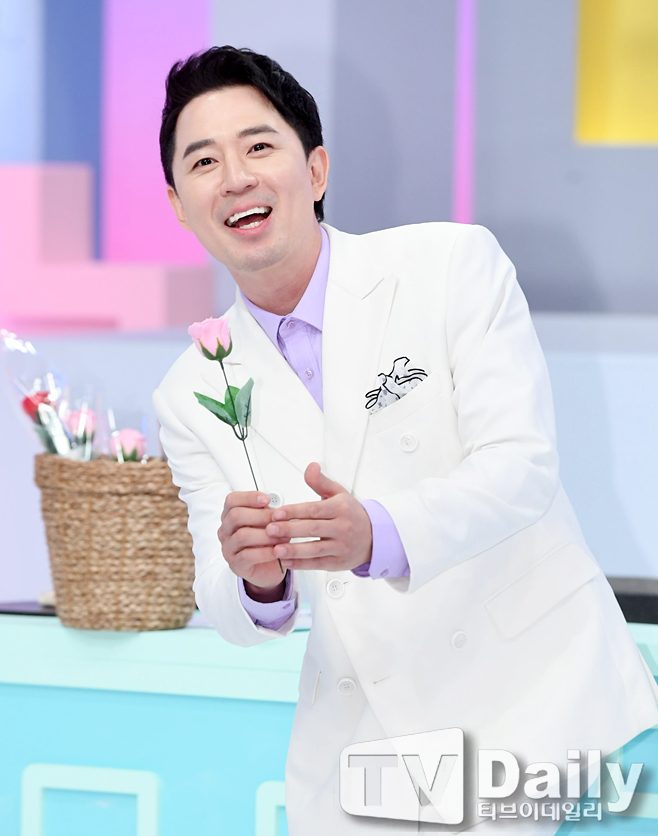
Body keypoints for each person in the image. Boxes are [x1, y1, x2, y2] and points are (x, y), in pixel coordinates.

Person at [153, 46, 658, 834]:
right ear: (180, 207)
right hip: (366, 749)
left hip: (544, 713)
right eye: (204, 161)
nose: (236, 177)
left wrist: (378, 534)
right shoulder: (188, 391)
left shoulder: (450, 265)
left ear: (316, 168)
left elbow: (521, 466)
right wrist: (256, 583)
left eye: (258, 146)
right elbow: (220, 599)